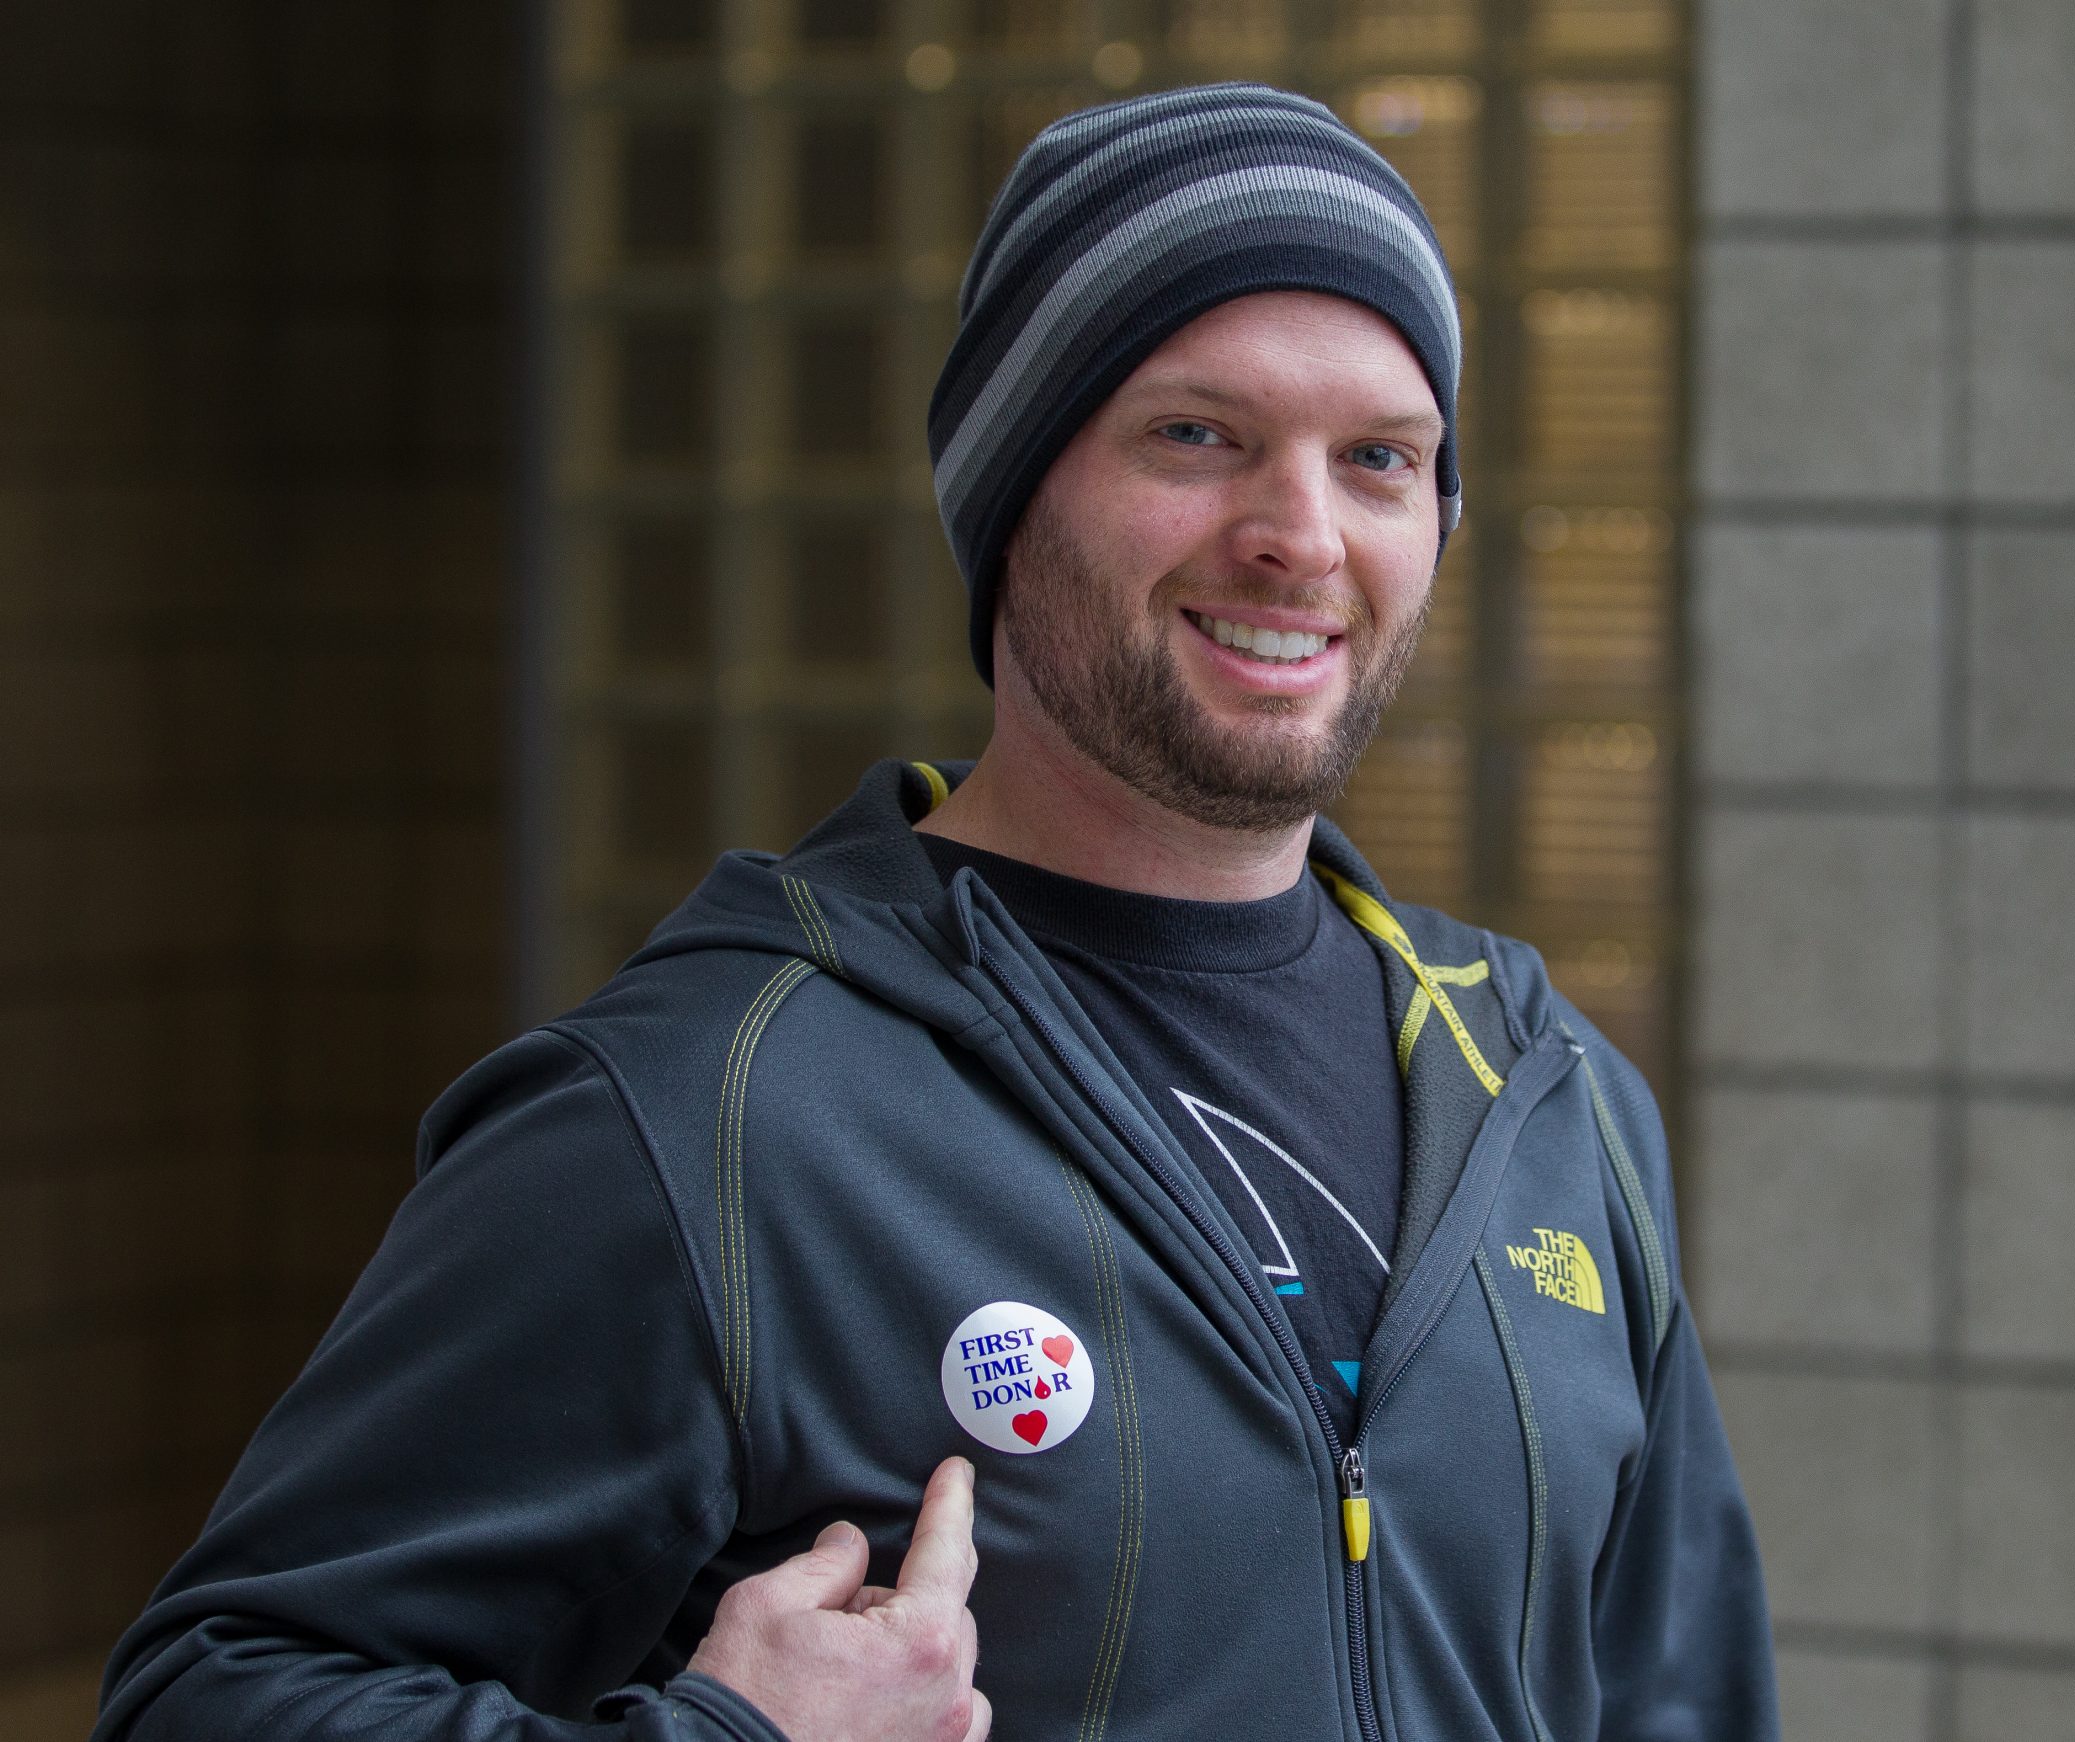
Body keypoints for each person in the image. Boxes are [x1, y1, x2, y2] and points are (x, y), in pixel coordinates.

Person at [95, 83, 1775, 1742]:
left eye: (1382, 460)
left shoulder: (1549, 1099)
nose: (1299, 534)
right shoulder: (705, 1110)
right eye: (1198, 435)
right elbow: (210, 1695)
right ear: (1013, 489)